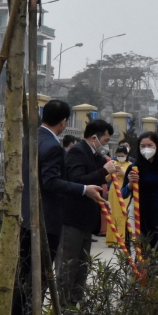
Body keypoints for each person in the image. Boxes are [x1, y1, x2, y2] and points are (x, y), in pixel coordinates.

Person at [12, 100, 103, 315]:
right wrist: (84, 189)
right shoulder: (52, 147)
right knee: (40, 272)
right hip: (45, 218)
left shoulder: (31, 138)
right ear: (64, 122)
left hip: (25, 214)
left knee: (24, 269)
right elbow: (50, 182)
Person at [57, 120, 118, 304]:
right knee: (68, 266)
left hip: (87, 221)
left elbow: (96, 185)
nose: (106, 145)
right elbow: (78, 181)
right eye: (105, 141)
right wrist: (103, 171)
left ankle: (77, 304)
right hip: (72, 220)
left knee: (82, 266)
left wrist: (103, 200)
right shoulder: (77, 152)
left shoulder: (96, 156)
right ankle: (64, 307)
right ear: (94, 138)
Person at [123, 132, 158, 251]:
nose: (146, 149)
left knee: (157, 247)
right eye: (143, 146)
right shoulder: (134, 167)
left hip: (157, 211)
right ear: (138, 148)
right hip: (138, 210)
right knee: (139, 248)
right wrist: (130, 184)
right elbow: (123, 194)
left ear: (157, 146)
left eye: (150, 145)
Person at [105, 142, 132, 246]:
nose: (120, 157)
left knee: (123, 214)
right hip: (113, 190)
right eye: (119, 155)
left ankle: (123, 238)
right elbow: (106, 178)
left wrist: (123, 173)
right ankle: (112, 239)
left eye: (123, 156)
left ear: (126, 155)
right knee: (112, 213)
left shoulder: (129, 165)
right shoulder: (112, 163)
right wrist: (112, 174)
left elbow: (131, 178)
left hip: (124, 189)